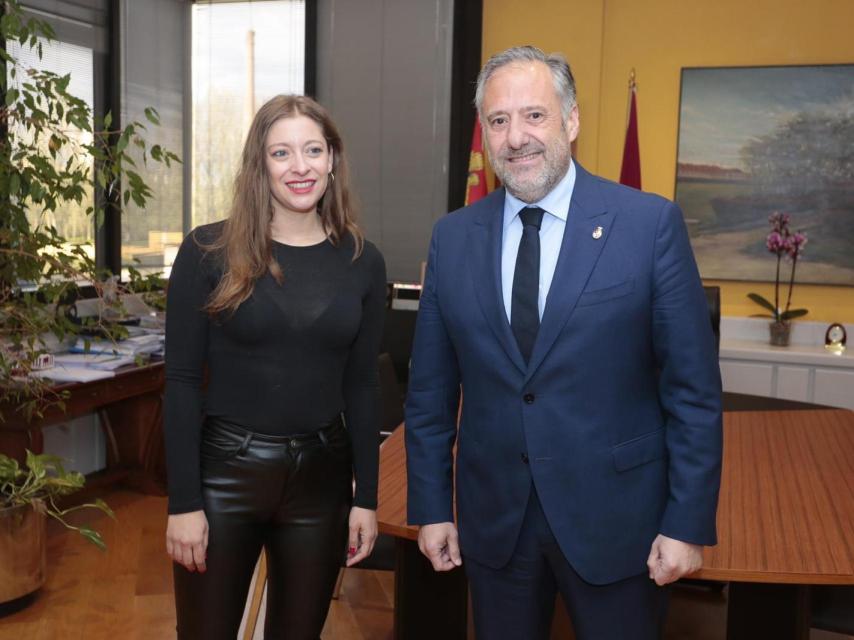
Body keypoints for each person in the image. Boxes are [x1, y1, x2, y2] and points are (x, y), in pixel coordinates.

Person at [405, 46, 722, 639]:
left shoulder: (648, 225)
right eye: (498, 121)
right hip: (495, 525)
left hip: (619, 525)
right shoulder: (453, 238)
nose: (515, 137)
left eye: (534, 115)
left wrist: (687, 522)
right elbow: (429, 394)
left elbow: (693, 392)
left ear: (571, 121)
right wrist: (430, 508)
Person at [163, 95, 386, 640]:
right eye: (281, 152)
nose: (300, 166)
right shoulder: (207, 251)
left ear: (333, 159)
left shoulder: (363, 260)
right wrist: (184, 503)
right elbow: (182, 383)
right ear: (260, 164)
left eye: (313, 149)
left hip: (322, 482)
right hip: (225, 478)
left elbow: (361, 385)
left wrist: (366, 499)